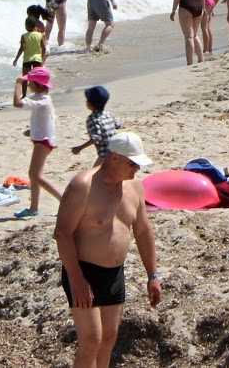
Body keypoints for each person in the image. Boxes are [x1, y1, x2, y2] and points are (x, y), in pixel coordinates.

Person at [53, 131, 162, 368]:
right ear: (114, 159)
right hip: (83, 271)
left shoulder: (134, 187)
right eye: (132, 163)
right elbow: (62, 233)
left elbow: (143, 231)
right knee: (91, 340)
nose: (137, 169)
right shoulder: (83, 185)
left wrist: (152, 276)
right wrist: (77, 279)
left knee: (108, 338)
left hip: (115, 273)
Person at [12, 67, 64, 219]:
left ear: (37, 84)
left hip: (44, 141)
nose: (28, 85)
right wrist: (32, 130)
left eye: (30, 83)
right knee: (35, 175)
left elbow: (17, 103)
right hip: (42, 139)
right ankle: (33, 207)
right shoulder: (42, 98)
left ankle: (64, 201)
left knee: (35, 175)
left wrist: (17, 85)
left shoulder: (41, 99)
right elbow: (48, 118)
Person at [71, 85, 120, 164]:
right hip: (117, 150)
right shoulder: (108, 114)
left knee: (96, 174)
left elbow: (96, 138)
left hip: (105, 154)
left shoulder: (92, 119)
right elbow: (118, 125)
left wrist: (79, 148)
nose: (86, 102)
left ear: (91, 104)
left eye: (87, 100)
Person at [13, 10, 47, 100]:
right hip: (37, 59)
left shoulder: (24, 36)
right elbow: (44, 47)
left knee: (25, 77)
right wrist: (42, 58)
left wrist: (16, 59)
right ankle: (40, 92)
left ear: (26, 26)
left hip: (27, 59)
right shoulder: (39, 35)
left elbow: (22, 48)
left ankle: (24, 95)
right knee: (38, 77)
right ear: (35, 25)